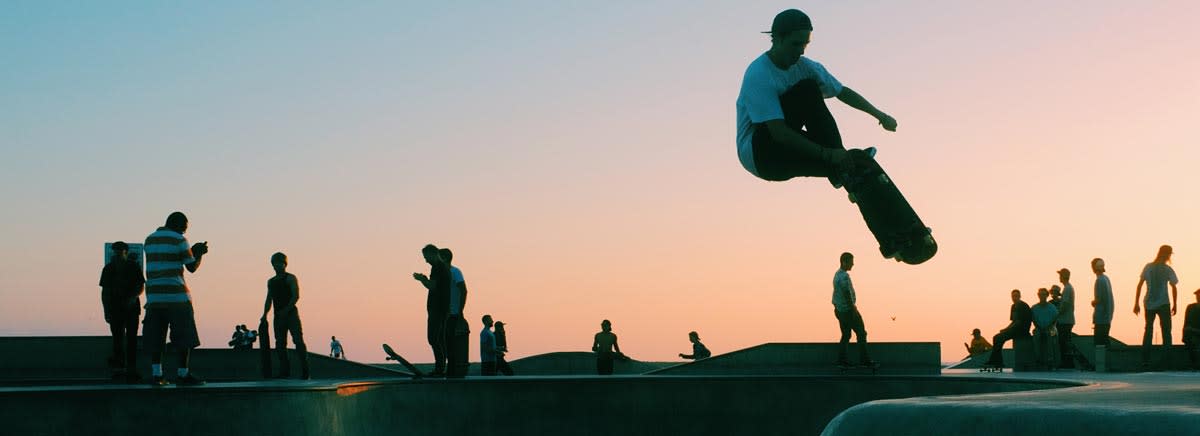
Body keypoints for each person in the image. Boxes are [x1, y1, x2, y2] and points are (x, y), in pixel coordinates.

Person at [735, 9, 896, 188]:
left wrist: (880, 116)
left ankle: (841, 170)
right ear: (778, 39)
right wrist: (829, 154)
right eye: (795, 44)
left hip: (785, 148)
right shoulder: (758, 75)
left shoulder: (806, 67)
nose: (801, 52)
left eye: (805, 44)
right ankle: (839, 164)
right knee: (807, 90)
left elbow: (842, 92)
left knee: (839, 164)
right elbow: (778, 133)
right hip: (761, 155)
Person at [142, 211, 208, 386]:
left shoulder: (149, 239)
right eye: (184, 229)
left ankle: (157, 374)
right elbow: (191, 266)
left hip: (154, 297)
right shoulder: (179, 240)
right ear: (180, 225)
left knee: (156, 337)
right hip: (177, 297)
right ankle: (183, 374)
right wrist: (199, 253)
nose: (184, 232)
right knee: (183, 336)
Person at [99, 241, 145, 382]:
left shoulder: (133, 266)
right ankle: (119, 370)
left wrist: (133, 298)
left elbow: (141, 286)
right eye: (116, 250)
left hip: (131, 309)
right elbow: (105, 291)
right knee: (118, 340)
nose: (117, 253)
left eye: (120, 250)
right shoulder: (108, 268)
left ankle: (131, 369)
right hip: (115, 309)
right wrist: (106, 310)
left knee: (131, 339)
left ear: (125, 251)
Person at [261, 252, 309, 379]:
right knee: (280, 344)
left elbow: (295, 296)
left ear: (284, 264)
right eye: (275, 263)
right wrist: (264, 314)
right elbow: (268, 299)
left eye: (280, 263)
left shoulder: (290, 278)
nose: (277, 265)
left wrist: (286, 310)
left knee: (298, 341)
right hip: (278, 316)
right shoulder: (271, 282)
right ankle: (284, 371)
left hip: (291, 314)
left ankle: (305, 371)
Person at [1134, 244, 1179, 369]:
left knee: (1148, 330)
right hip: (1164, 303)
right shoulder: (1167, 269)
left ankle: (1145, 360)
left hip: (1149, 303)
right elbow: (1174, 286)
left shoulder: (1148, 267)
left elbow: (1140, 285)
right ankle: (1167, 361)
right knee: (1166, 332)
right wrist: (1175, 304)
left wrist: (1136, 303)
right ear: (1166, 254)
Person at [412, 244, 450, 376]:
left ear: (433, 254)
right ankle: (441, 367)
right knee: (439, 338)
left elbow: (432, 286)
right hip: (441, 308)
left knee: (433, 338)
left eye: (426, 257)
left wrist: (422, 279)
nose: (426, 260)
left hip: (438, 309)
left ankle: (440, 369)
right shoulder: (443, 267)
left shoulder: (438, 267)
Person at [832, 252, 872, 366]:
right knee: (861, 333)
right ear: (844, 262)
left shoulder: (837, 274)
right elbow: (846, 293)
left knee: (846, 335)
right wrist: (853, 309)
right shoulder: (844, 276)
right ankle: (864, 360)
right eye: (851, 261)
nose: (853, 264)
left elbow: (836, 295)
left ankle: (842, 360)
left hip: (840, 310)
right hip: (848, 311)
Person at [440, 248, 470, 378]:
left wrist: (460, 310)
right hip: (443, 314)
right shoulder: (442, 274)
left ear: (445, 258)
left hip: (453, 314)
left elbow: (464, 290)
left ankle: (451, 372)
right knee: (443, 342)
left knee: (450, 343)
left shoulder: (455, 272)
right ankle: (444, 369)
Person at [984, 290, 1032, 368]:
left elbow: (1018, 322)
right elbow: (1014, 321)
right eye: (1013, 296)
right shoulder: (1013, 306)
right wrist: (1005, 329)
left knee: (998, 338)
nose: (1014, 298)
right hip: (1015, 329)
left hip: (1022, 331)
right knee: (997, 338)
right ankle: (997, 361)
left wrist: (1006, 329)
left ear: (1020, 296)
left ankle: (996, 361)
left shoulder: (1023, 306)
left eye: (1016, 296)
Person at [1091, 258, 1114, 371]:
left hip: (1101, 317)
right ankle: (1108, 364)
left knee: (1099, 343)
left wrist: (1093, 302)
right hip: (1107, 316)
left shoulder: (1099, 280)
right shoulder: (1106, 279)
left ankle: (1101, 366)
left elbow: (1099, 299)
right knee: (1105, 340)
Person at [1031, 288, 1060, 370]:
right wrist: (1040, 328)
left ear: (1047, 295)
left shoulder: (1052, 307)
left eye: (1043, 294)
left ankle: (1050, 361)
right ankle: (1038, 359)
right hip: (1038, 328)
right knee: (1036, 336)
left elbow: (1054, 320)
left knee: (1049, 335)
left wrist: (1047, 328)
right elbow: (1033, 320)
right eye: (1040, 294)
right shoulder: (1034, 308)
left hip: (1050, 328)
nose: (1042, 296)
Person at [1182, 289, 1200, 370]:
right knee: (1192, 340)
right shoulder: (1190, 307)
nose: (1198, 297)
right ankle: (1194, 364)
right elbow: (1186, 324)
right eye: (1197, 295)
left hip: (1195, 332)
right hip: (1192, 334)